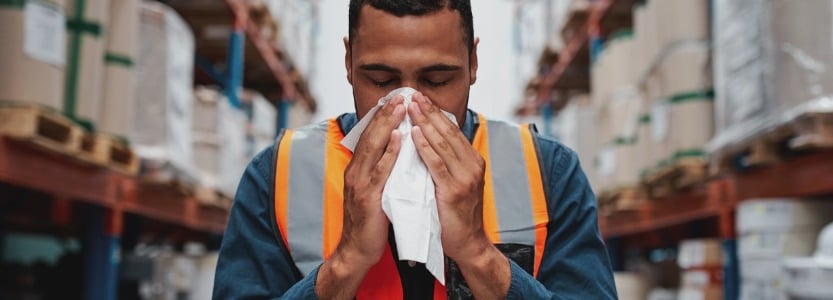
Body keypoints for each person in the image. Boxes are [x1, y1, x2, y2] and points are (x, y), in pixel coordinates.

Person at [213, 0, 617, 299]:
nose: (408, 105)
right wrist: (346, 262)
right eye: (381, 78)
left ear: (473, 62)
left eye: (438, 80)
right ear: (349, 62)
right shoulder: (280, 175)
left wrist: (479, 255)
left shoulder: (547, 172)